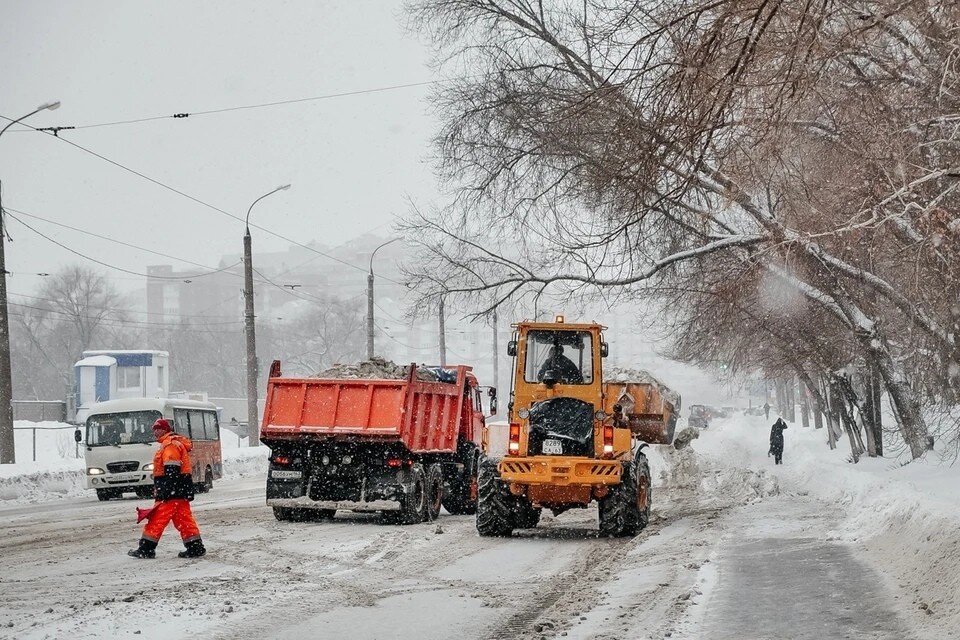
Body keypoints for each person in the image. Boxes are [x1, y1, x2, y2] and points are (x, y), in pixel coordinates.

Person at [128, 419, 206, 559]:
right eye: (154, 429)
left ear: (165, 430)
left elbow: (172, 469)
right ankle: (195, 548)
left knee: (156, 521)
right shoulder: (173, 443)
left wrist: (165, 491)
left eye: (158, 429)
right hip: (179, 492)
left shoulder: (169, 445)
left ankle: (146, 549)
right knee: (184, 521)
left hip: (171, 492)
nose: (155, 432)